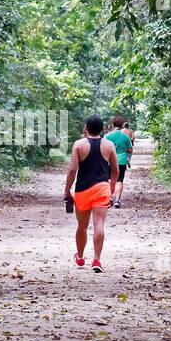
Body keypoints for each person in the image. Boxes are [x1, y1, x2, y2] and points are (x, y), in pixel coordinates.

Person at [63, 114, 119, 272]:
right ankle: (97, 260)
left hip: (83, 190)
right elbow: (115, 170)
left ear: (85, 128)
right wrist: (112, 187)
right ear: (102, 129)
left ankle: (80, 257)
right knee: (99, 224)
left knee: (82, 226)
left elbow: (73, 169)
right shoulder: (109, 145)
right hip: (102, 188)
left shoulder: (79, 145)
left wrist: (67, 190)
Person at [104, 114, 134, 208]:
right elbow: (130, 150)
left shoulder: (107, 136)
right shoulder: (125, 137)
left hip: (108, 161)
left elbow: (102, 149)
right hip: (121, 161)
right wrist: (127, 158)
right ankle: (117, 200)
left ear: (112, 124)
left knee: (109, 180)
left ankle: (109, 198)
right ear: (122, 125)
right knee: (119, 180)